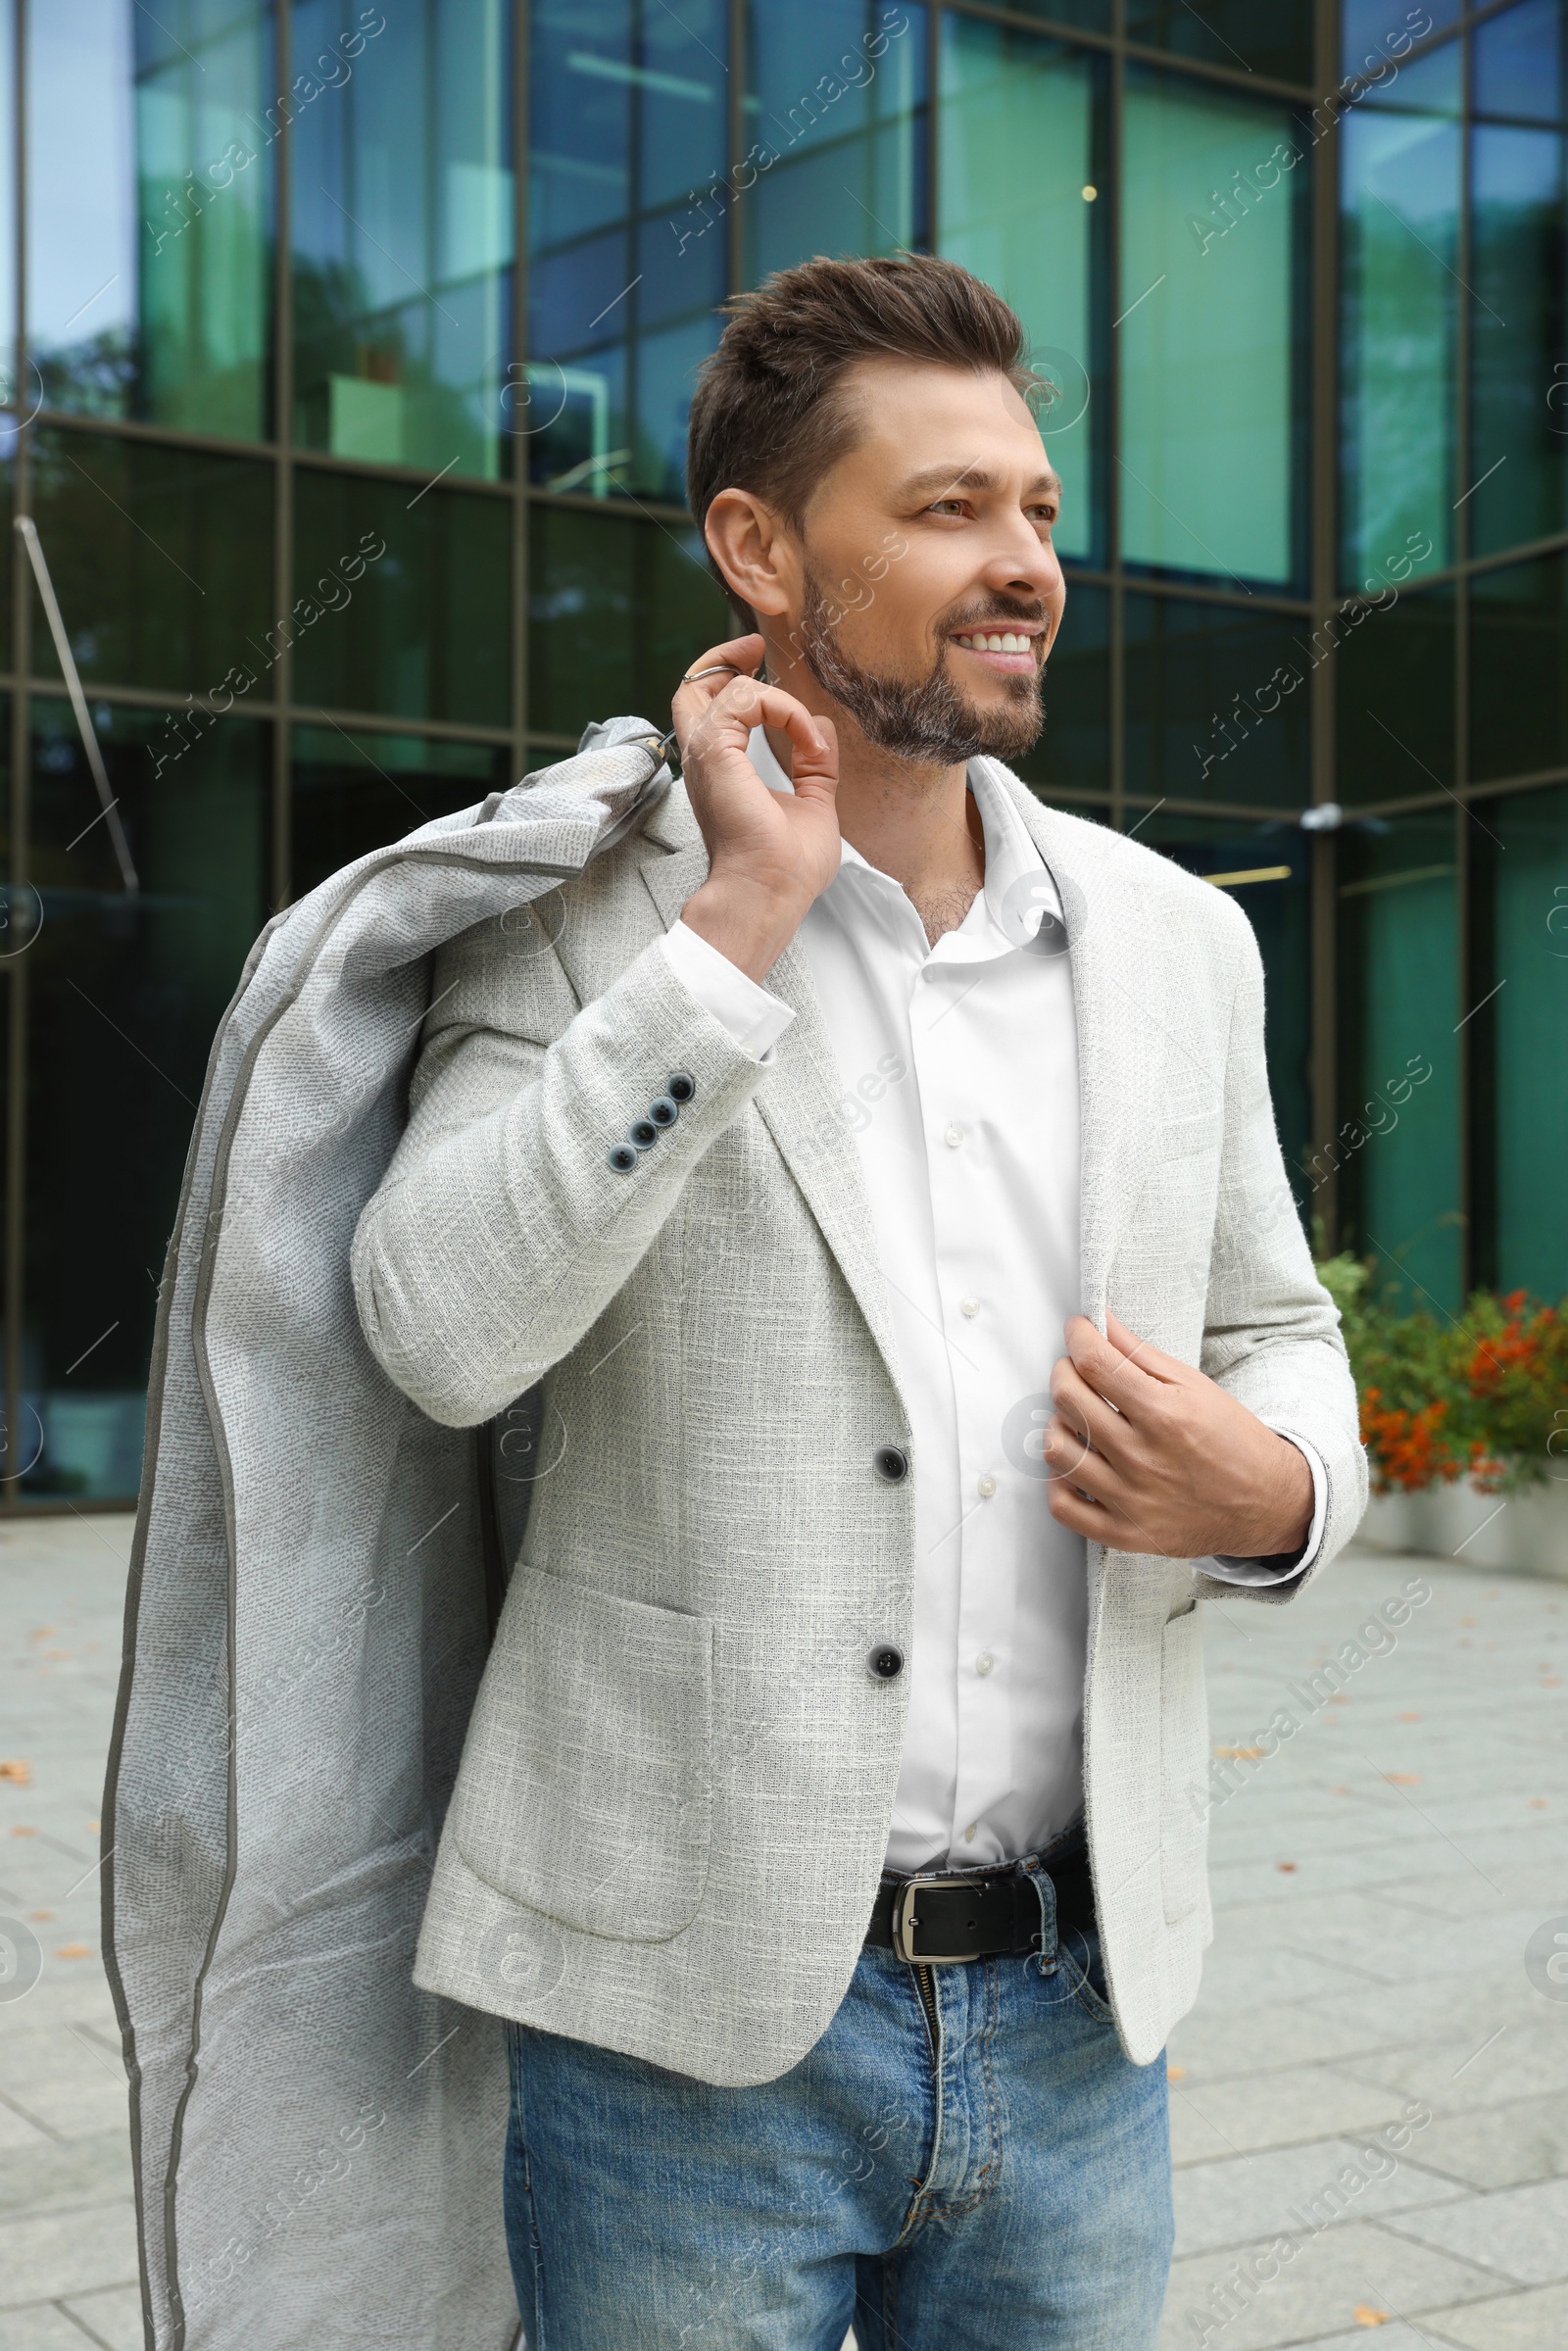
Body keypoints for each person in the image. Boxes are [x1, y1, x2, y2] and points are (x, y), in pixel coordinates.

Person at [351, 252, 1366, 2351]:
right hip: (679, 2033)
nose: (1022, 568)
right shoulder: (572, 915)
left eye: (1037, 513)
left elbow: (1280, 1324)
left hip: (1088, 2024)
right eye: (944, 511)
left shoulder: (1178, 944)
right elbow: (435, 1328)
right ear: (756, 545)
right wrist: (730, 935)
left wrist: (1270, 1487)